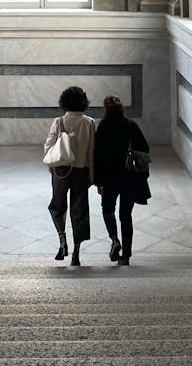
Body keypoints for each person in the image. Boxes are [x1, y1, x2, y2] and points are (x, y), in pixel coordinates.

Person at [93, 94, 150, 266]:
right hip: (130, 178)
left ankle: (114, 239)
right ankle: (126, 256)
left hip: (110, 179)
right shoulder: (131, 125)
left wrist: (99, 182)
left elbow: (97, 157)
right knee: (126, 216)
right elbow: (144, 150)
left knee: (108, 210)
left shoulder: (102, 128)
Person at [44, 85, 95, 266]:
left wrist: (52, 168)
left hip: (61, 171)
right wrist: (91, 175)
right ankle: (76, 254)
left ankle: (62, 239)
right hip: (81, 171)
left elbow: (48, 147)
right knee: (79, 211)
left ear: (63, 102)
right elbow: (91, 152)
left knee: (57, 206)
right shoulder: (89, 123)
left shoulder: (58, 122)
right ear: (83, 102)